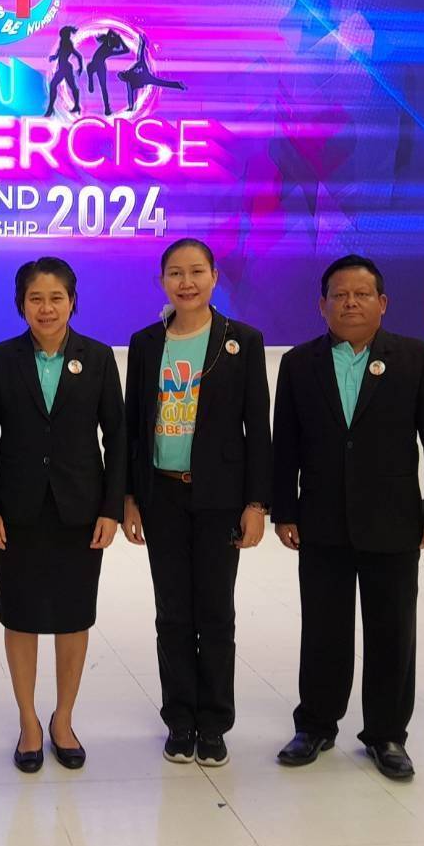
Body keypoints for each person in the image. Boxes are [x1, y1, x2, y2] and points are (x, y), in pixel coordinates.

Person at [271, 254, 424, 781]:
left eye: (361, 294)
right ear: (322, 305)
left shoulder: (416, 358)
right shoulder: (299, 363)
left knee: (392, 630)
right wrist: (285, 509)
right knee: (322, 629)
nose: (350, 303)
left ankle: (386, 734)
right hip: (321, 520)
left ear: (383, 303)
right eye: (339, 295)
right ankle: (315, 725)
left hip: (393, 520)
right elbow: (286, 444)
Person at [123, 238, 271, 768]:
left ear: (214, 277)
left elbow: (258, 427)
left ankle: (214, 723)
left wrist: (256, 502)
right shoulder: (145, 343)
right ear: (162, 280)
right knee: (172, 613)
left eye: (196, 272)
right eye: (175, 273)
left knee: (215, 611)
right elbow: (132, 427)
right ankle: (179, 720)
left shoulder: (241, 341)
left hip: (219, 498)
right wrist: (130, 497)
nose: (186, 282)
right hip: (161, 494)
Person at [0, 257, 124, 773]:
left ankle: (63, 718)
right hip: (16, 512)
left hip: (79, 510)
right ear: (21, 304)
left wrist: (111, 508)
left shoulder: (98, 358)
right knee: (20, 616)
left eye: (56, 298)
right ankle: (28, 721)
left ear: (72, 302)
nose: (46, 308)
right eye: (35, 298)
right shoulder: (2, 358)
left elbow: (117, 437)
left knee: (73, 616)